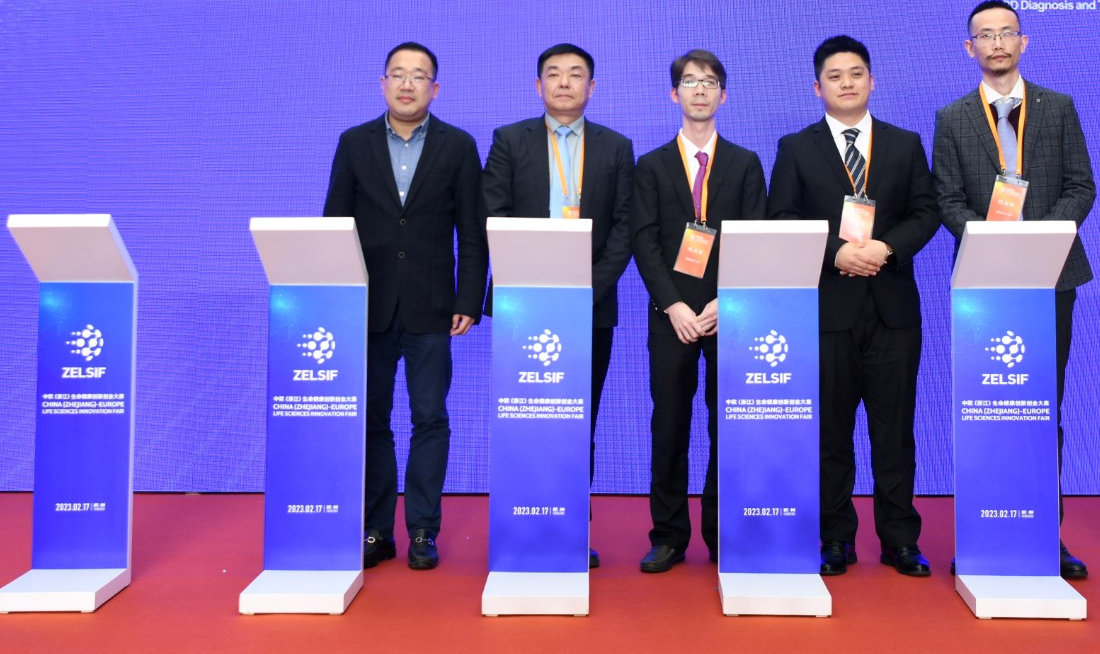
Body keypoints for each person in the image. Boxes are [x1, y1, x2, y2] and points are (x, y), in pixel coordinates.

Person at [932, 0, 1096, 580]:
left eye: (1006, 33)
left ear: (1023, 42)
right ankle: (985, 530)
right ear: (969, 48)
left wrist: (1038, 241)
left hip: (1051, 277)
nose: (997, 43)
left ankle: (1045, 533)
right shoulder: (952, 118)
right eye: (985, 35)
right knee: (988, 408)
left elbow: (1081, 186)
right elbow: (947, 198)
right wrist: (992, 244)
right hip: (985, 281)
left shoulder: (1058, 108)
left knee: (1041, 407)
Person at [767, 35, 941, 578]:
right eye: (835, 76)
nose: (847, 83)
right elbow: (782, 218)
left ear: (872, 81)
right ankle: (836, 537)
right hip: (827, 310)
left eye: (856, 73)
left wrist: (886, 249)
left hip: (893, 310)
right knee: (831, 432)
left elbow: (926, 211)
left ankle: (900, 540)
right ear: (817, 87)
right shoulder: (796, 148)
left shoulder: (904, 143)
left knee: (895, 432)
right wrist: (836, 252)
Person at [323, 42, 488, 571]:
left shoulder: (458, 145)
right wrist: (338, 298)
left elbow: (472, 231)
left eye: (419, 76)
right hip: (368, 306)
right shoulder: (354, 143)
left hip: (432, 306)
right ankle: (375, 529)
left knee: (430, 418)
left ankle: (421, 529)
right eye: (398, 74)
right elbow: (334, 225)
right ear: (383, 84)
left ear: (435, 89)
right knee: (371, 420)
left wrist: (469, 299)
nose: (407, 84)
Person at [483, 43, 634, 569]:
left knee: (577, 420)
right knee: (525, 418)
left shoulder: (617, 147)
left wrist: (589, 290)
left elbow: (625, 227)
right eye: (553, 74)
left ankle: (571, 528)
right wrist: (528, 286)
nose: (564, 82)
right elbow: (494, 214)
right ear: (538, 86)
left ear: (592, 87)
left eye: (575, 74)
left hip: (590, 307)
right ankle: (520, 526)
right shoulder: (509, 140)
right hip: (524, 308)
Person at [629, 50, 767, 572]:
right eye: (689, 82)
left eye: (710, 82)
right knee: (669, 425)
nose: (700, 90)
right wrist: (674, 305)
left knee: (726, 425)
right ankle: (668, 535)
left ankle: (721, 531)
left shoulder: (746, 163)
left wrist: (724, 300)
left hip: (728, 312)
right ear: (674, 94)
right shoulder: (651, 165)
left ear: (723, 95)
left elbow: (754, 236)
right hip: (672, 317)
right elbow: (644, 241)